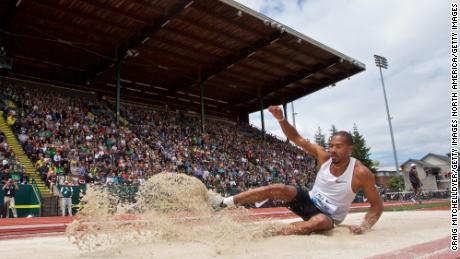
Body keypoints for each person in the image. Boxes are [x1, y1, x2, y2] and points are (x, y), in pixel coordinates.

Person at [211, 106, 383, 235]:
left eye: (338, 146)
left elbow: (377, 205)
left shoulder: (360, 172)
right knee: (278, 188)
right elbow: (296, 138)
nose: (332, 150)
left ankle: (269, 233)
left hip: (328, 216)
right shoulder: (323, 157)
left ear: (350, 149)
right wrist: (280, 119)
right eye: (331, 145)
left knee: (317, 222)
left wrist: (365, 226)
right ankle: (222, 203)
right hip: (308, 200)